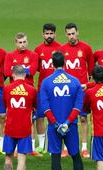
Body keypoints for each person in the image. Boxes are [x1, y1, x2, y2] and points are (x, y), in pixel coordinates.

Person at [40, 51, 86, 170]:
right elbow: (78, 106)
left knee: (55, 156)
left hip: (54, 127)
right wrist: (67, 123)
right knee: (75, 155)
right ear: (64, 63)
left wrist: (56, 124)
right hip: (71, 126)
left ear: (52, 64)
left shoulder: (46, 82)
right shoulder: (75, 81)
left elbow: (45, 106)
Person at [58, 23, 94, 158]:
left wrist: (86, 85)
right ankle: (67, 148)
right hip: (67, 90)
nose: (71, 36)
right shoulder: (62, 49)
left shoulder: (86, 48)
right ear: (65, 34)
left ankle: (84, 148)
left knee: (83, 118)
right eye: (68, 34)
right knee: (67, 118)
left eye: (73, 33)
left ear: (77, 32)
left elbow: (90, 70)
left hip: (82, 90)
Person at [2, 65, 37, 170]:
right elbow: (35, 106)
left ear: (13, 75)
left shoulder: (7, 88)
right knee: (22, 159)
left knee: (8, 157)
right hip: (24, 129)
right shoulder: (31, 90)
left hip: (10, 128)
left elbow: (6, 105)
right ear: (25, 75)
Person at [4, 32, 40, 156]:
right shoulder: (10, 55)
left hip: (29, 91)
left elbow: (33, 70)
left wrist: (17, 69)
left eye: (24, 42)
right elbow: (6, 71)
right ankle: (14, 148)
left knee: (31, 119)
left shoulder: (33, 55)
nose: (22, 44)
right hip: (14, 92)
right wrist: (25, 69)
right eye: (20, 42)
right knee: (13, 118)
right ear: (16, 43)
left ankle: (31, 147)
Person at [34, 23, 61, 154]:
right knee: (40, 116)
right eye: (47, 33)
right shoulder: (38, 50)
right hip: (42, 89)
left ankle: (52, 145)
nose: (49, 36)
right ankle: (41, 144)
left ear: (55, 34)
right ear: (43, 34)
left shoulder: (61, 48)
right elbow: (37, 68)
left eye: (51, 33)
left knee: (54, 116)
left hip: (57, 90)